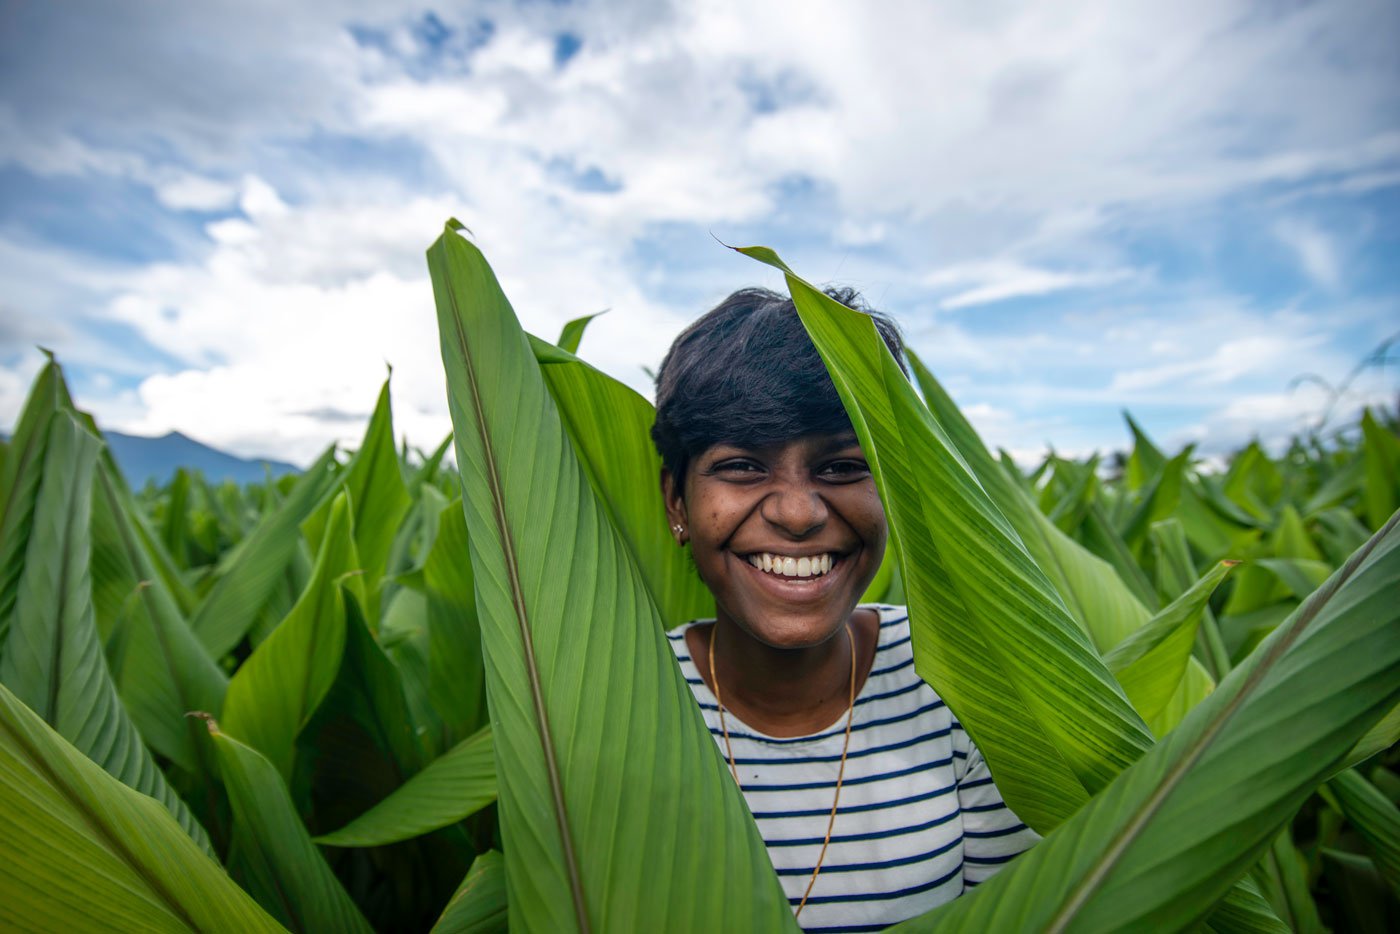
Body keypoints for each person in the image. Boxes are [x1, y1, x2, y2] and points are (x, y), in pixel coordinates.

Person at [650, 287, 1039, 933]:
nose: (798, 514)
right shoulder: (616, 696)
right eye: (743, 465)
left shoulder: (969, 680)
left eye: (842, 466)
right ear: (677, 503)